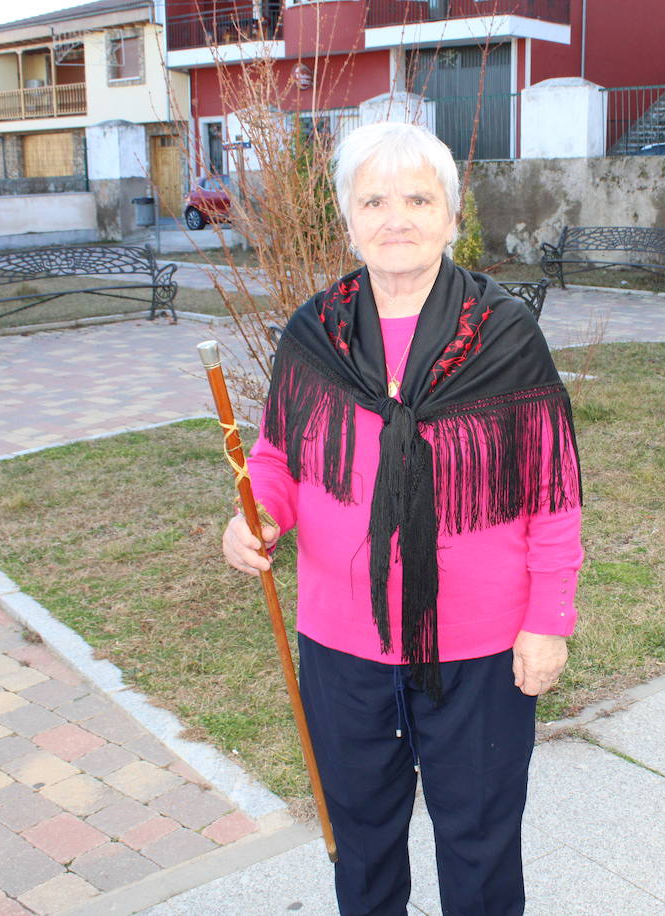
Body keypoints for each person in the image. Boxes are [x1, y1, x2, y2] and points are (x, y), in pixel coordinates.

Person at [222, 121, 583, 916]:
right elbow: (280, 458)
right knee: (361, 837)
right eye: (374, 199)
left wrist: (547, 618)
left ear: (452, 217)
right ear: (347, 219)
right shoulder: (315, 332)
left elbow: (551, 491)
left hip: (481, 647)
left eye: (418, 198)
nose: (397, 217)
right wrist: (258, 518)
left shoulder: (506, 337)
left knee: (481, 842)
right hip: (341, 642)